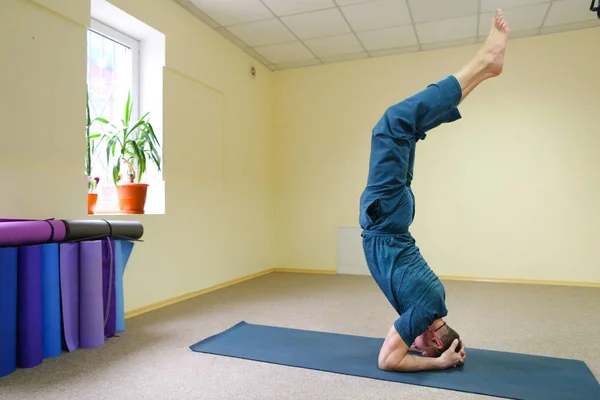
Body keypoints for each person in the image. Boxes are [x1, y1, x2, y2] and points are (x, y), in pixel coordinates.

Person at [359, 10, 510, 372]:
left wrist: (441, 353)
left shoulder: (435, 303)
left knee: (406, 129)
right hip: (386, 220)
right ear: (437, 338)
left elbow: (403, 345)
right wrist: (440, 363)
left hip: (395, 220)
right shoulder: (426, 312)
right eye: (423, 349)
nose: (416, 347)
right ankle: (483, 62)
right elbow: (387, 361)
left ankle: (485, 71)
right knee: (392, 125)